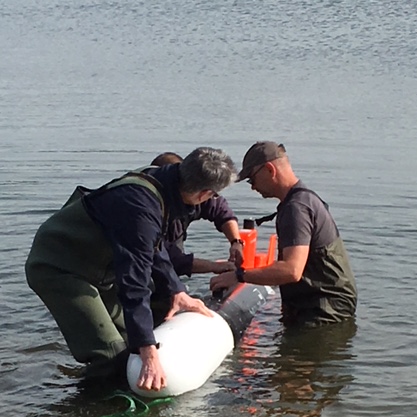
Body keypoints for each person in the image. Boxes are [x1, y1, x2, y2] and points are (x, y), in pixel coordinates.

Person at [25, 147, 237, 392]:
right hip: (58, 267)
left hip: (96, 268)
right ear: (204, 194)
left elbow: (155, 249)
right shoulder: (141, 206)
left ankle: (111, 392)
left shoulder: (168, 183)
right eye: (212, 196)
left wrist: (177, 291)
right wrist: (148, 354)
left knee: (131, 338)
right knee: (111, 354)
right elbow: (134, 283)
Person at [210, 141, 357, 325]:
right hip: (325, 306)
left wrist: (238, 276)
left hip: (323, 312)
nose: (252, 187)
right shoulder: (303, 199)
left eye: (252, 179)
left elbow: (291, 270)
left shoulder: (296, 208)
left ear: (270, 170)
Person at [150, 152, 243, 276]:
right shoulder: (150, 208)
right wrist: (214, 266)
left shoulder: (192, 190)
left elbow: (220, 210)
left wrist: (236, 242)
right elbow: (168, 257)